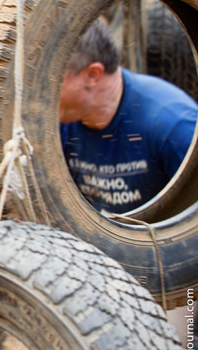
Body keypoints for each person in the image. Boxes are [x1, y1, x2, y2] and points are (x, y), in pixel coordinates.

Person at [59, 19, 198, 215]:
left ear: (92, 75)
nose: (39, 94)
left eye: (53, 80)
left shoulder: (176, 126)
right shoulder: (56, 121)